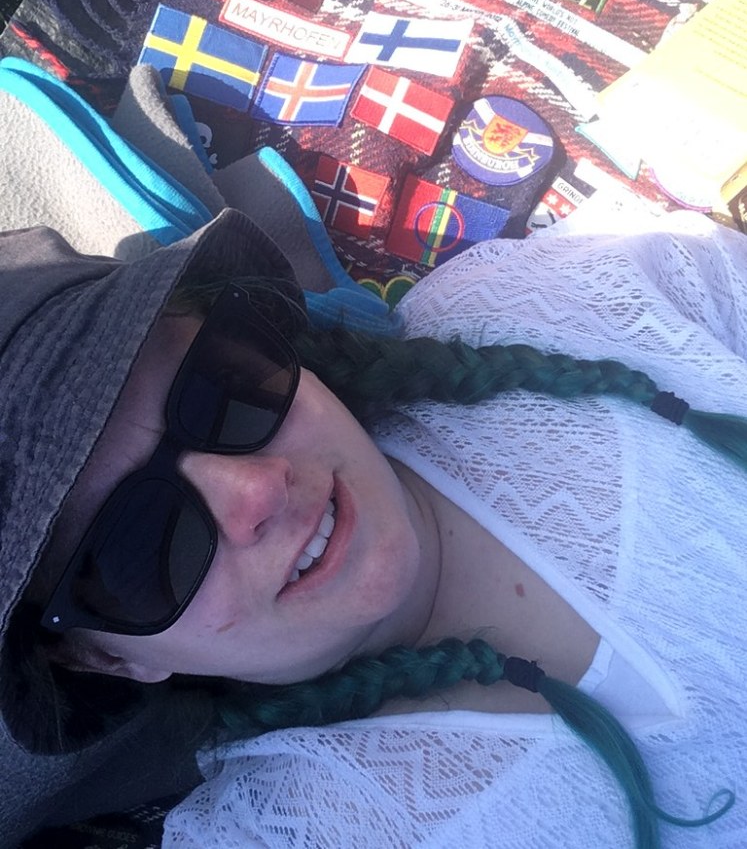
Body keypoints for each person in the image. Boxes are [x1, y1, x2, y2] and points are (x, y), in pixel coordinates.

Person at [1, 190, 746, 849]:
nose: (255, 491)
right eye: (136, 545)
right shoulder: (283, 832)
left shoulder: (551, 300)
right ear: (109, 660)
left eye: (220, 387)